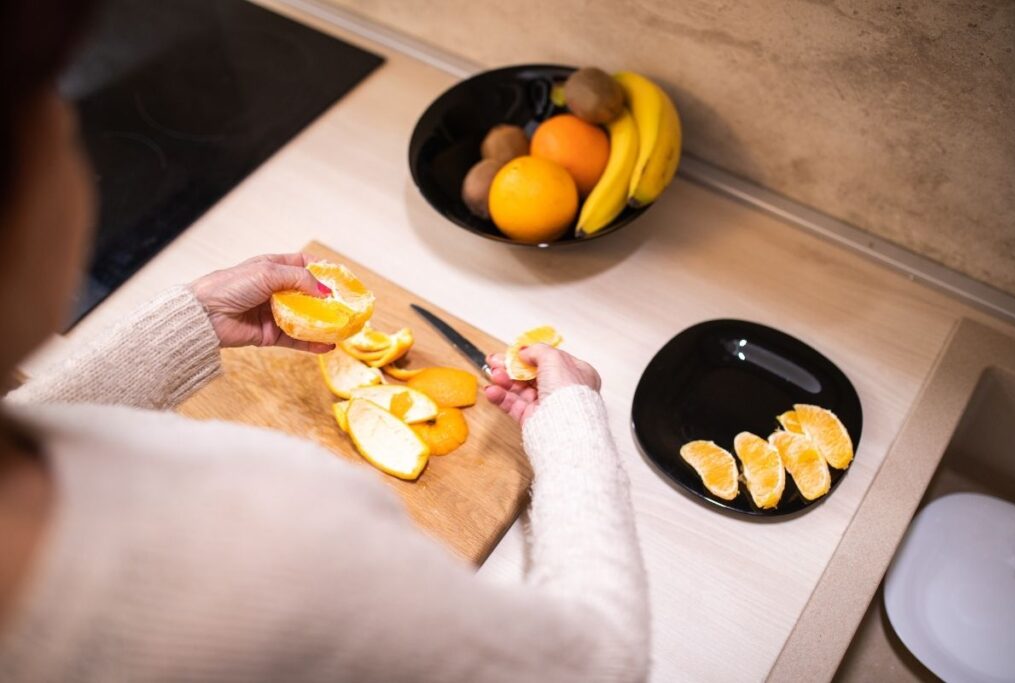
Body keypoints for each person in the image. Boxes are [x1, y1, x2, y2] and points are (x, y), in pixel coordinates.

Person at [0, 1, 649, 681]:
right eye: (58, 116)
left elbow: (34, 424)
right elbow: (589, 663)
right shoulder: (285, 537)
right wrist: (574, 430)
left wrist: (182, 330)